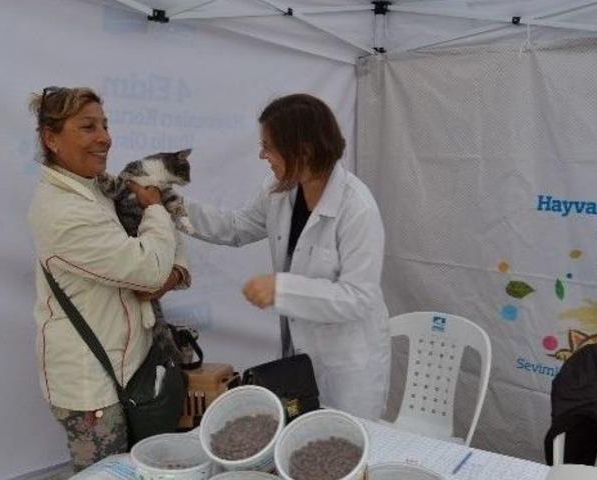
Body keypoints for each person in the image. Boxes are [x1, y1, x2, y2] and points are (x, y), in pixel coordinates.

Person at [187, 93, 391, 419]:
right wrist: (175, 207)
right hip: (299, 354)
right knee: (303, 440)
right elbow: (238, 227)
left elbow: (358, 296)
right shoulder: (280, 188)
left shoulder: (357, 207)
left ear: (304, 150)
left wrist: (282, 289)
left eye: (268, 146)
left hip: (347, 365)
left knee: (343, 451)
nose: (261, 155)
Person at [27, 86, 189, 471]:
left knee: (139, 469)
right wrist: (155, 215)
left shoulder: (98, 187)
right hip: (92, 390)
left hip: (127, 367)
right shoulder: (62, 212)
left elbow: (167, 244)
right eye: (87, 127)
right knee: (107, 475)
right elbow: (149, 266)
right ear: (51, 138)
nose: (105, 137)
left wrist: (176, 271)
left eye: (104, 124)